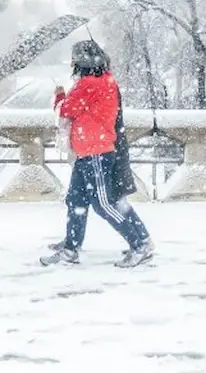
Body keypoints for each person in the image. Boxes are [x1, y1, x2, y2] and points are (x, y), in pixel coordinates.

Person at [40, 40, 155, 268]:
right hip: (91, 151)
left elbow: (65, 111)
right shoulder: (105, 80)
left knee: (104, 204)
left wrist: (59, 95)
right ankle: (71, 248)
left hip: (95, 152)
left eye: (74, 59)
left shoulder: (88, 84)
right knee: (76, 200)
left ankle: (139, 246)